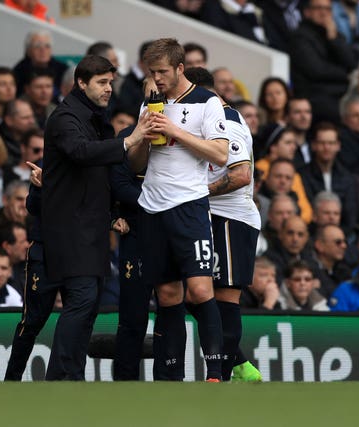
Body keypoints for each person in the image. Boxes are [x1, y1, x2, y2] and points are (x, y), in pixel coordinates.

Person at [4, 54, 151, 382]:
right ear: (81, 83)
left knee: (85, 307)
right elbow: (81, 153)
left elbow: (103, 175)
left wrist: (114, 213)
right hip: (63, 236)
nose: (109, 89)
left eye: (111, 82)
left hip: (89, 234)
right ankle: (22, 380)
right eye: (101, 82)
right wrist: (129, 140)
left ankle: (68, 379)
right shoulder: (65, 118)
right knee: (37, 320)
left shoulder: (99, 119)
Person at [134, 39, 229, 382]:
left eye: (162, 72)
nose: (157, 78)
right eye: (152, 72)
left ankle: (215, 372)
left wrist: (174, 131)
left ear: (179, 68)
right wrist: (142, 135)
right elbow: (136, 164)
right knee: (168, 294)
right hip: (152, 206)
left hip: (188, 205)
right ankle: (169, 377)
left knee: (201, 290)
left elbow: (220, 155)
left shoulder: (207, 102)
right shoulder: (150, 104)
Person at [183, 66, 262, 382]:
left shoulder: (226, 122)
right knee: (194, 295)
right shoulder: (214, 118)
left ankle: (223, 376)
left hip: (232, 218)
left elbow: (241, 174)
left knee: (225, 298)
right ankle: (238, 363)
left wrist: (200, 191)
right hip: (210, 217)